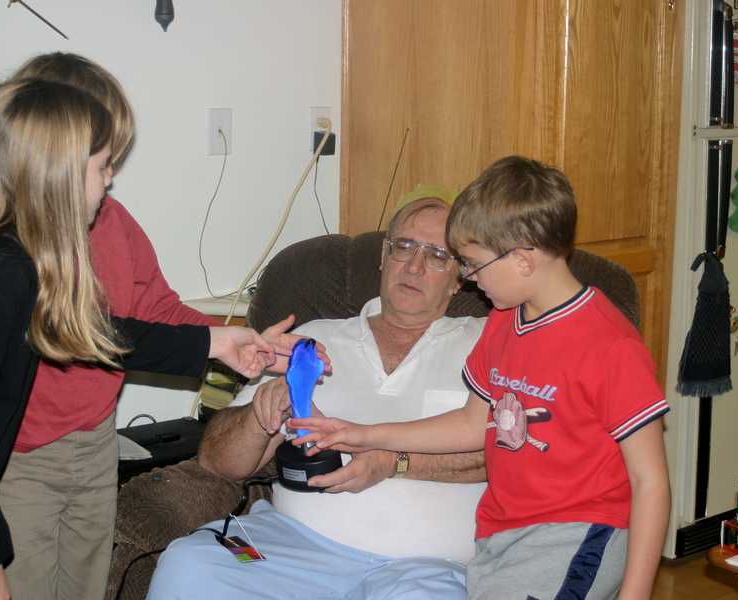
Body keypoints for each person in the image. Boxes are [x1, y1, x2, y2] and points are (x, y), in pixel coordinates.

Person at [0, 52, 306, 600]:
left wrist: (224, 341)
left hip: (93, 446)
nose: (112, 177)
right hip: (14, 460)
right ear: (53, 158)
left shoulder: (99, 229)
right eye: (103, 161)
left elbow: (107, 327)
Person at [293, 156, 672, 600]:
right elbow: (472, 424)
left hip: (576, 535)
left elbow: (650, 481)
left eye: (473, 264)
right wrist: (362, 434)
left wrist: (635, 593)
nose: (469, 280)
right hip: (501, 535)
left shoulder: (609, 345)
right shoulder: (504, 322)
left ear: (523, 260)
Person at [147, 187, 488, 599]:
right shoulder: (311, 340)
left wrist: (395, 463)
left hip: (425, 568)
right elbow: (217, 462)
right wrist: (257, 416)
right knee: (192, 562)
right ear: (384, 256)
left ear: (459, 277)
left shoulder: (489, 343)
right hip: (288, 549)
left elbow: (513, 454)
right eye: (404, 246)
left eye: (436, 255)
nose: (414, 266)